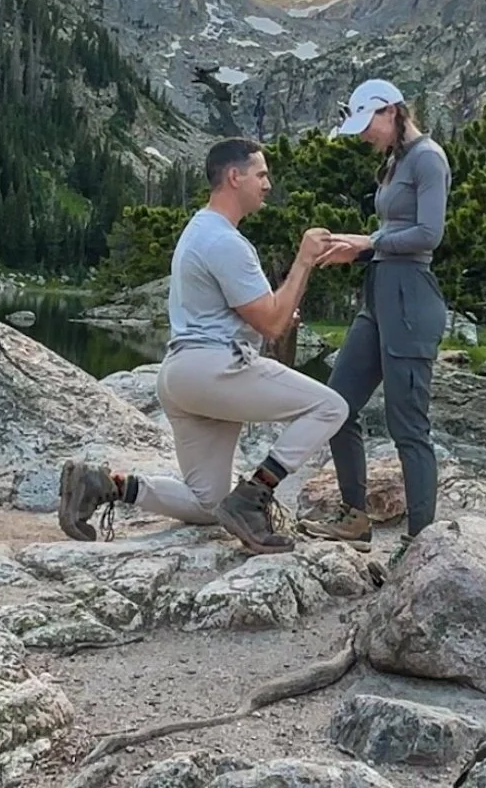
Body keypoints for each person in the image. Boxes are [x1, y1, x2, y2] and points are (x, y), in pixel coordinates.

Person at [57, 137, 346, 554]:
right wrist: (303, 261)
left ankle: (106, 484)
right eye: (261, 174)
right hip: (216, 370)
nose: (267, 184)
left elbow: (257, 315)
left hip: (180, 376)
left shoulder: (200, 230)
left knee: (210, 504)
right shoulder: (225, 242)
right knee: (330, 406)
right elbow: (272, 323)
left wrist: (272, 314)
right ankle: (254, 495)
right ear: (234, 176)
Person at [304, 79, 449, 552]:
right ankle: (354, 516)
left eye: (368, 124)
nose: (364, 134)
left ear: (392, 112)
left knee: (408, 425)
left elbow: (428, 234)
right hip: (379, 299)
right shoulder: (394, 160)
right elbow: (389, 233)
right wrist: (357, 248)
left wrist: (369, 243)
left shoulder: (428, 158)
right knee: (336, 405)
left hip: (410, 301)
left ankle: (421, 540)